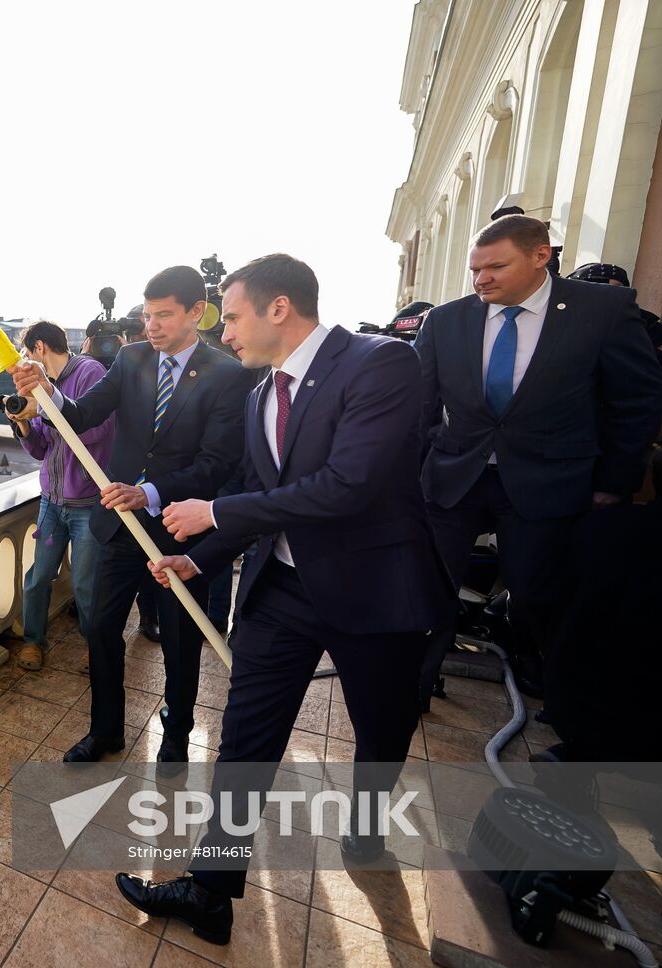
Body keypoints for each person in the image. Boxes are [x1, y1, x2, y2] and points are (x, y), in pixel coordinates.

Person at [116, 254, 452, 945]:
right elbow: (257, 499)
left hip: (373, 592)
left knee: (382, 730)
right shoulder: (259, 392)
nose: (225, 331)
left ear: (278, 309)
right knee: (246, 739)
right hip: (281, 592)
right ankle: (211, 889)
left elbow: (347, 485)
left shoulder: (380, 364)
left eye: (231, 316)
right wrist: (197, 556)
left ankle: (365, 830)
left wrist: (212, 516)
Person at [415, 216, 662, 709]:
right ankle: (416, 685)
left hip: (549, 480)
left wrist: (614, 481)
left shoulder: (604, 309)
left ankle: (553, 693)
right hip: (455, 475)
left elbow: (635, 401)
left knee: (536, 592)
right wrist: (413, 465)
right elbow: (417, 405)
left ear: (540, 256)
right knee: (428, 586)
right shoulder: (445, 320)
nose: (481, 279)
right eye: (475, 270)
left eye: (495, 267)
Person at [9, 265, 253, 765]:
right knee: (100, 627)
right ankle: (105, 731)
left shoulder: (228, 375)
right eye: (147, 315)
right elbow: (82, 414)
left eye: (164, 315)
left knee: (181, 643)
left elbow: (217, 464)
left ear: (196, 313)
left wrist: (152, 492)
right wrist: (47, 393)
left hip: (180, 530)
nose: (151, 326)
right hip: (119, 526)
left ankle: (178, 738)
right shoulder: (132, 358)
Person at [6, 320, 115, 670]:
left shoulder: (89, 372)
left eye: (26, 353)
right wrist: (22, 421)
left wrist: (47, 410)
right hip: (52, 503)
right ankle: (33, 642)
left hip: (87, 504)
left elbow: (99, 430)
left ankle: (96, 647)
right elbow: (41, 450)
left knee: (86, 586)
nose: (25, 361)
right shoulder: (42, 386)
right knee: (38, 578)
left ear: (39, 348)